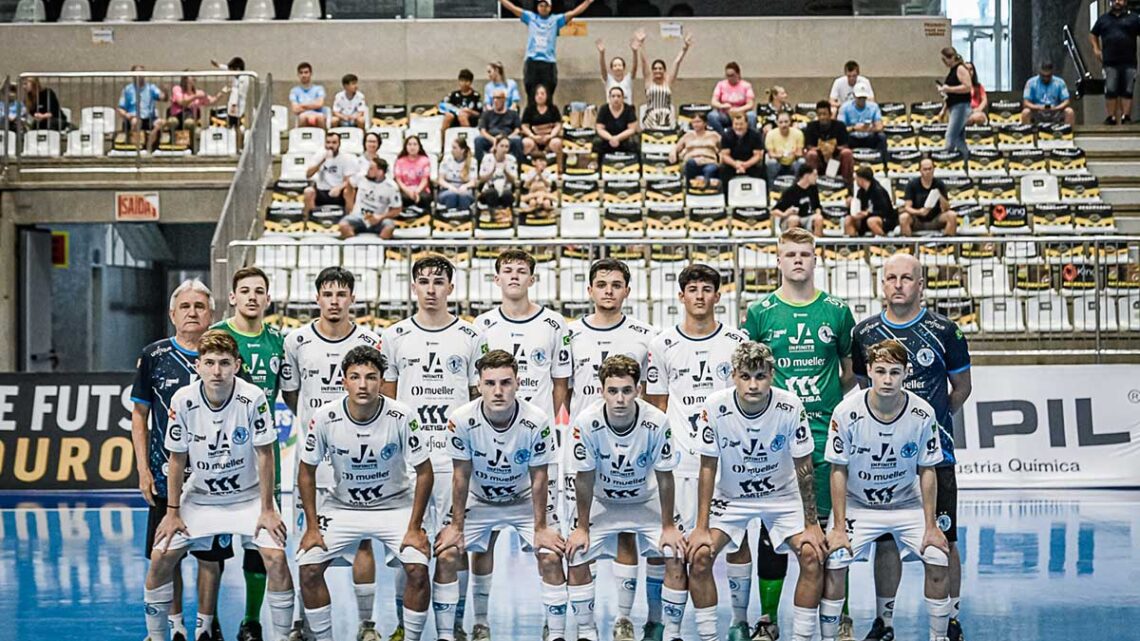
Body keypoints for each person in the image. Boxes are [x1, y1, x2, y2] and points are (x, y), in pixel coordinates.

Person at [741, 228, 857, 641]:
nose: (797, 261)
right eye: (789, 254)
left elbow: (848, 373)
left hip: (824, 437)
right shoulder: (760, 312)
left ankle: (839, 616)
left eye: (804, 254)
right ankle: (768, 620)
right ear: (777, 260)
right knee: (773, 535)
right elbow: (748, 372)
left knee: (828, 530)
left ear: (815, 259)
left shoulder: (838, 312)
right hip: (774, 442)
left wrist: (823, 406)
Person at [142, 330, 294, 641]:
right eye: (209, 363)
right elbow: (176, 459)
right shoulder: (182, 399)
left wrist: (267, 509)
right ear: (198, 366)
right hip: (200, 499)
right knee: (160, 559)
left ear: (236, 365)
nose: (216, 371)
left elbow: (265, 454)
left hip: (249, 498)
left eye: (224, 363)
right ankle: (157, 636)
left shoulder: (253, 397)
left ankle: (280, 635)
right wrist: (172, 512)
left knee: (276, 558)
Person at [851, 253, 973, 641]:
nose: (898, 284)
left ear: (921, 285)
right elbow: (861, 389)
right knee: (886, 542)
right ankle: (884, 622)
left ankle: (950, 619)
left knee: (944, 539)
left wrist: (928, 427)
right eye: (891, 278)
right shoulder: (865, 333)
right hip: (881, 461)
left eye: (907, 278)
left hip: (936, 459)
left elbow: (962, 388)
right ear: (881, 284)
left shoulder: (945, 330)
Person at [379, 255, 488, 641]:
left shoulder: (471, 337)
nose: (430, 289)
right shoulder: (394, 336)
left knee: (453, 549)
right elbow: (387, 404)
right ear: (413, 287)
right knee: (404, 549)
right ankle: (400, 625)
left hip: (455, 461)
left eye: (438, 282)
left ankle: (452, 626)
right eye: (423, 281)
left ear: (451, 288)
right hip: (411, 464)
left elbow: (481, 401)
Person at [687, 342, 825, 641]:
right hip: (732, 499)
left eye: (760, 376)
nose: (753, 384)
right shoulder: (715, 406)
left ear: (772, 375)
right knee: (699, 556)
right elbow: (707, 467)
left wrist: (812, 524)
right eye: (746, 376)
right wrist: (700, 527)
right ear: (733, 375)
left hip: (782, 498)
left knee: (813, 554)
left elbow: (804, 466)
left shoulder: (790, 405)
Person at [298, 346, 435, 641]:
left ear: (383, 381)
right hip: (343, 507)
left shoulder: (401, 415)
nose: (363, 385)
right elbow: (306, 471)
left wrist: (414, 527)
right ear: (343, 381)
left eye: (371, 377)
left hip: (394, 506)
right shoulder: (325, 417)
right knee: (308, 569)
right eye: (355, 377)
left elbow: (425, 472)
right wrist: (311, 528)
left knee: (418, 568)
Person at [470, 250, 573, 640]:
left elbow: (560, 383)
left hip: (536, 450)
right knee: (483, 541)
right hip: (489, 445)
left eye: (522, 271)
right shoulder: (482, 325)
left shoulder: (552, 323)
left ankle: (556, 625)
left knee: (548, 537)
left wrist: (538, 426)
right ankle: (480, 622)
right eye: (507, 271)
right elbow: (474, 384)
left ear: (533, 279)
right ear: (496, 279)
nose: (514, 276)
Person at [644, 264, 749, 641]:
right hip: (679, 465)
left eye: (708, 289)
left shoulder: (737, 342)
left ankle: (739, 622)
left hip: (728, 465)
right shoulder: (662, 344)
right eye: (693, 289)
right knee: (675, 550)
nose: (700, 296)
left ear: (718, 297)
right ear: (681, 296)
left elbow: (747, 400)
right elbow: (654, 409)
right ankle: (670, 630)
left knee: (736, 542)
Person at [820, 339, 951, 641]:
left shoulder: (922, 413)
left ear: (906, 372)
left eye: (895, 372)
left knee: (938, 556)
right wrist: (838, 527)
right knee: (836, 559)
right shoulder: (846, 411)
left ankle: (939, 637)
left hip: (906, 505)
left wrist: (931, 526)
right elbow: (837, 470)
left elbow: (927, 470)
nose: (888, 379)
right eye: (880, 371)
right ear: (868, 371)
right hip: (859, 505)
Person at [431, 350, 565, 641]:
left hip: (524, 500)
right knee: (447, 555)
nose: (498, 391)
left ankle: (554, 633)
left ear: (518, 383)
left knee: (552, 556)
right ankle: (456, 630)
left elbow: (540, 476)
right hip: (479, 500)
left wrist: (541, 528)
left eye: (506, 382)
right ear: (478, 385)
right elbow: (460, 474)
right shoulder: (462, 419)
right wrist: (456, 526)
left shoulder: (537, 420)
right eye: (490, 383)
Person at [279, 267, 383, 641]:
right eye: (328, 294)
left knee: (364, 540)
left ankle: (367, 624)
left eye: (342, 294)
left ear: (352, 299)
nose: (334, 301)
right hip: (314, 461)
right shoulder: (297, 340)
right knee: (306, 539)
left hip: (361, 458)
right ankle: (301, 622)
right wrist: (317, 426)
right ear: (317, 298)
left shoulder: (372, 339)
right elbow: (292, 395)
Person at [131, 280, 230, 641]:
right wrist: (143, 470)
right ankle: (174, 627)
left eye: (200, 306)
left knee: (210, 556)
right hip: (164, 475)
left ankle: (205, 627)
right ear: (173, 313)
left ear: (212, 314)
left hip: (215, 479)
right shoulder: (153, 356)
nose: (192, 312)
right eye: (185, 306)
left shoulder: (225, 354)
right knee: (167, 555)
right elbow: (139, 416)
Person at [565, 259, 658, 641]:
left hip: (630, 446)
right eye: (601, 284)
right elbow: (562, 390)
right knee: (579, 531)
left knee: (626, 532)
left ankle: (623, 618)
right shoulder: (570, 335)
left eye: (616, 284)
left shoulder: (645, 335)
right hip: (584, 448)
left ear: (627, 291)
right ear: (589, 290)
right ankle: (580, 625)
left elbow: (650, 394)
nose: (608, 290)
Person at [565, 355, 687, 641]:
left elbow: (665, 476)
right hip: (602, 502)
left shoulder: (657, 421)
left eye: (627, 390)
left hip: (646, 501)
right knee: (576, 554)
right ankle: (586, 632)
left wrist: (669, 526)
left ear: (639, 390)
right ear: (601, 391)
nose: (620, 399)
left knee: (674, 552)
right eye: (613, 391)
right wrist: (581, 527)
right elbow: (583, 478)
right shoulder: (586, 422)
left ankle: (672, 633)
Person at [210, 267, 287, 641]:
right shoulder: (219, 337)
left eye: (259, 291)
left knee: (261, 542)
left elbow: (290, 394)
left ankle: (251, 621)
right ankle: (208, 620)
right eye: (245, 290)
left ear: (268, 299)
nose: (253, 297)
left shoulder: (277, 339)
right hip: (222, 453)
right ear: (233, 298)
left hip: (264, 452)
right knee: (214, 545)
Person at [497, 0, 597, 104]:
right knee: (531, 94)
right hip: (532, 62)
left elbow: (574, 13)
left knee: (548, 95)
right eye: (541, 5)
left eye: (546, 6)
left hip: (548, 63)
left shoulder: (556, 20)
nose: (543, 8)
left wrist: (587, 2)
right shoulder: (530, 17)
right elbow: (512, 8)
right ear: (537, 6)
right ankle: (531, 118)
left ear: (550, 7)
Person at [1091, 0, 1140, 125]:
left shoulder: (1134, 19)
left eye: (1121, 0)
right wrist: (1096, 49)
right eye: (1115, 0)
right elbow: (1093, 34)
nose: (1117, 2)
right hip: (1109, 61)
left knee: (1127, 89)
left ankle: (1126, 117)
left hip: (1129, 61)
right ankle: (1111, 117)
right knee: (1111, 89)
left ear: (1125, 2)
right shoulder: (1103, 19)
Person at [637, 30, 692, 130]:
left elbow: (677, 62)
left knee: (670, 119)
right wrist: (641, 44)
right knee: (654, 117)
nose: (658, 71)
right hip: (651, 116)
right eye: (655, 69)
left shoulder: (668, 82)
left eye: (660, 68)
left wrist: (685, 49)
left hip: (667, 115)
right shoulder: (649, 82)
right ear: (652, 71)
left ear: (664, 71)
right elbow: (644, 62)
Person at [338, 156, 401, 239]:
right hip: (359, 216)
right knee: (343, 225)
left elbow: (397, 210)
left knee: (389, 227)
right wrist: (350, 204)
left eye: (371, 168)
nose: (368, 170)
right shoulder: (361, 177)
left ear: (380, 172)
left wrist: (381, 217)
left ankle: (380, 250)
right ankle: (354, 248)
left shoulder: (391, 187)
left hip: (378, 218)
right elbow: (350, 184)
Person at [302, 132, 357, 219]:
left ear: (339, 144)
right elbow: (308, 175)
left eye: (334, 143)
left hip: (339, 192)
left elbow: (349, 180)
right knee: (308, 191)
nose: (331, 145)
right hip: (322, 191)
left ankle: (350, 219)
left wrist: (338, 188)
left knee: (349, 190)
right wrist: (322, 160)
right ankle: (311, 220)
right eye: (328, 142)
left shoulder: (346, 158)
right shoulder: (319, 155)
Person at [900, 157, 957, 236]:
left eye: (930, 169)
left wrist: (939, 195)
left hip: (935, 218)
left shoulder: (939, 183)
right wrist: (919, 212)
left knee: (952, 215)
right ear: (920, 170)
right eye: (925, 169)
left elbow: (947, 208)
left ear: (933, 169)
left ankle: (947, 246)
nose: (928, 172)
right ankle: (908, 247)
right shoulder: (912, 184)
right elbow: (907, 207)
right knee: (904, 217)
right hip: (917, 219)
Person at [804, 100, 854, 186]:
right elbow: (809, 146)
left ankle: (847, 187)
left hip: (836, 159)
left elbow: (845, 145)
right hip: (819, 160)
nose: (822, 117)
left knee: (847, 153)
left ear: (830, 114)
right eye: (820, 114)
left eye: (824, 114)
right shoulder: (811, 126)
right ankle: (811, 187)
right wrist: (823, 149)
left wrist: (832, 149)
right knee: (811, 154)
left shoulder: (840, 126)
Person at [117, 65, 166, 152]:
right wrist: (127, 115)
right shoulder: (127, 90)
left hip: (149, 118)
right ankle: (138, 149)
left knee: (161, 122)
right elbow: (120, 108)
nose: (140, 75)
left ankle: (148, 146)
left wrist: (165, 91)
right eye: (137, 73)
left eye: (142, 73)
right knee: (136, 122)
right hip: (133, 117)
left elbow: (163, 97)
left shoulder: (151, 88)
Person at [939, 47, 973, 161]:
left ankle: (946, 161)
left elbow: (968, 87)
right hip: (954, 107)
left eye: (944, 60)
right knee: (959, 139)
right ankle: (965, 162)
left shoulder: (960, 69)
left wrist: (949, 89)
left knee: (950, 136)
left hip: (961, 107)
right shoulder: (953, 70)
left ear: (951, 58)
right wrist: (944, 109)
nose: (944, 63)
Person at [167, 75, 218, 152]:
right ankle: (173, 144)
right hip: (177, 115)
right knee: (172, 121)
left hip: (189, 117)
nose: (194, 78)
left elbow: (211, 101)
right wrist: (195, 97)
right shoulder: (177, 89)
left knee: (189, 123)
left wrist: (221, 93)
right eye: (192, 76)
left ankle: (191, 147)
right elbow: (181, 102)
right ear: (185, 79)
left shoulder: (198, 92)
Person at [671, 111, 721, 189]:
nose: (695, 124)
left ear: (705, 123)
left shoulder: (714, 135)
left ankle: (704, 186)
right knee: (690, 163)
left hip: (709, 162)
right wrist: (673, 154)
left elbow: (723, 149)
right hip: (692, 163)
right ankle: (690, 188)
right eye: (693, 122)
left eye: (698, 122)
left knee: (709, 170)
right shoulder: (688, 135)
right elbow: (676, 149)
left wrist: (720, 161)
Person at [770, 163, 822, 234]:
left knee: (818, 219)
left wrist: (818, 213)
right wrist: (785, 214)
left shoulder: (813, 189)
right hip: (792, 218)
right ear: (807, 175)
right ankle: (793, 243)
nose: (817, 177)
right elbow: (773, 211)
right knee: (794, 219)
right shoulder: (791, 191)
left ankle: (817, 244)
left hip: (808, 217)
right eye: (815, 175)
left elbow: (817, 206)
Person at [1019, 61, 1076, 126]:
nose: (1045, 78)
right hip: (1038, 112)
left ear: (1052, 73)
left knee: (1069, 112)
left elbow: (1066, 101)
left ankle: (1068, 134)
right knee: (1025, 112)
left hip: (1055, 111)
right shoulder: (1031, 82)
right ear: (1039, 72)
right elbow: (1026, 103)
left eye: (1048, 76)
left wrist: (1056, 108)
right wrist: (1039, 107)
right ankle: (1027, 134)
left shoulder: (1060, 82)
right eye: (1043, 76)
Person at [475, 90, 524, 164]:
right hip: (491, 139)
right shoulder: (486, 114)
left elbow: (517, 130)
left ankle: (518, 169)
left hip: (508, 138)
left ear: (504, 99)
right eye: (493, 98)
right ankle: (480, 168)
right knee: (478, 140)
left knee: (517, 141)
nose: (495, 101)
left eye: (498, 98)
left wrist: (505, 139)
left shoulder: (513, 114)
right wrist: (494, 140)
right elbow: (482, 130)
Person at [845, 165, 896, 237]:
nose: (855, 181)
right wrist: (851, 206)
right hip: (865, 219)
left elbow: (885, 211)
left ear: (861, 179)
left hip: (884, 219)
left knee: (871, 221)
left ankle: (882, 244)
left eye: (856, 179)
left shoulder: (878, 191)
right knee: (848, 219)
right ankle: (853, 246)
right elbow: (859, 209)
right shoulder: (861, 192)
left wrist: (867, 213)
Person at [708, 61, 757, 134]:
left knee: (752, 116)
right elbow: (714, 101)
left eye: (732, 75)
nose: (730, 78)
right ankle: (723, 136)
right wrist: (722, 106)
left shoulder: (746, 85)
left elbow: (750, 104)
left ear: (738, 74)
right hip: (725, 114)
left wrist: (738, 110)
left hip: (741, 114)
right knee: (712, 116)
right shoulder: (721, 84)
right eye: (728, 75)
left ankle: (749, 137)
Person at [594, 86, 640, 161]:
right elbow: (599, 128)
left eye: (619, 96)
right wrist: (611, 138)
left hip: (624, 138)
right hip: (607, 138)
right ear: (609, 98)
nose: (616, 99)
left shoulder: (629, 109)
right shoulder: (604, 109)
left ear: (622, 98)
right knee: (596, 142)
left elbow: (632, 129)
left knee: (635, 142)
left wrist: (617, 138)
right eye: (613, 96)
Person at [718, 112, 765, 185]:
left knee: (761, 169)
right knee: (723, 170)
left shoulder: (755, 135)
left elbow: (757, 155)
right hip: (732, 164)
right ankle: (726, 195)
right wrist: (736, 164)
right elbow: (725, 155)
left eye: (741, 124)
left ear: (747, 124)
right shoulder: (726, 135)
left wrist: (745, 165)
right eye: (736, 124)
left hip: (750, 163)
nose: (738, 127)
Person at [838, 87, 886, 158]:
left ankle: (884, 163)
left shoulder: (874, 107)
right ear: (854, 96)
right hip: (852, 137)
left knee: (882, 137)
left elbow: (879, 127)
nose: (862, 100)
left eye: (863, 98)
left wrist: (868, 129)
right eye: (859, 98)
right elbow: (840, 129)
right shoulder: (845, 107)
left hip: (869, 136)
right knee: (840, 138)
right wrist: (854, 128)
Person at [521, 84, 564, 160]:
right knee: (526, 143)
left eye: (542, 94)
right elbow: (524, 126)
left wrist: (550, 136)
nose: (539, 96)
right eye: (537, 94)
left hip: (549, 139)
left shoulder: (553, 109)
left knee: (557, 143)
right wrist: (533, 136)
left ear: (547, 95)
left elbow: (558, 125)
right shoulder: (529, 109)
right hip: (534, 138)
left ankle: (558, 167)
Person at [478, 136, 520, 212]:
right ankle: (492, 215)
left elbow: (514, 180)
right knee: (492, 193)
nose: (504, 149)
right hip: (489, 190)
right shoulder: (487, 158)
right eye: (501, 146)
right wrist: (492, 171)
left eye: (506, 147)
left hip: (505, 190)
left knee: (507, 195)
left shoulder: (511, 159)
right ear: (496, 146)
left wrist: (505, 171)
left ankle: (505, 216)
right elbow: (481, 179)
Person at [596, 33, 641, 103]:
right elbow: (603, 69)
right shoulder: (608, 80)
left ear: (624, 68)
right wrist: (602, 54)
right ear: (611, 69)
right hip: (611, 112)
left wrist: (635, 52)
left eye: (620, 65)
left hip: (627, 112)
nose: (617, 68)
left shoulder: (628, 79)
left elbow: (634, 68)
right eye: (615, 66)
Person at [764, 112, 806, 185]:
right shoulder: (771, 134)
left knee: (801, 161)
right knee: (771, 162)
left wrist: (794, 153)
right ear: (777, 123)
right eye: (781, 122)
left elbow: (800, 153)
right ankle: (771, 188)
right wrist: (778, 155)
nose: (784, 125)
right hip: (778, 162)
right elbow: (770, 154)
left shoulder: (798, 133)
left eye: (786, 122)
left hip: (793, 162)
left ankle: (798, 186)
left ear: (790, 122)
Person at [437, 138, 479, 210]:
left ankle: (464, 217)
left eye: (455, 148)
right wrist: (450, 187)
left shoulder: (472, 161)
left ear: (462, 150)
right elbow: (440, 180)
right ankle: (450, 216)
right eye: (452, 147)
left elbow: (473, 182)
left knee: (463, 195)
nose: (452, 150)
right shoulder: (446, 159)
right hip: (447, 189)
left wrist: (465, 186)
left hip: (465, 190)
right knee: (451, 195)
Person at [394, 135, 433, 208]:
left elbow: (425, 180)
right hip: (405, 190)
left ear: (419, 146)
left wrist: (416, 192)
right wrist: (408, 191)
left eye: (415, 144)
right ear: (406, 146)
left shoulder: (425, 160)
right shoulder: (400, 161)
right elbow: (398, 180)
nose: (412, 147)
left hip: (421, 190)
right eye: (409, 144)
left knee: (424, 198)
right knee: (401, 198)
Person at [211, 56, 249, 129]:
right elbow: (227, 68)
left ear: (237, 69)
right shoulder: (238, 75)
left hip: (237, 105)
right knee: (235, 126)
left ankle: (238, 140)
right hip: (235, 104)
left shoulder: (242, 78)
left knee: (235, 126)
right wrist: (218, 65)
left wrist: (234, 105)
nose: (231, 72)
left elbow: (238, 93)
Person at [289, 62, 326, 128]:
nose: (303, 75)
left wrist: (302, 105)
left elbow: (320, 104)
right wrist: (313, 105)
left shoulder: (319, 89)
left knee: (321, 118)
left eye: (306, 72)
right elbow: (295, 109)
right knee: (302, 117)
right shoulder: (294, 91)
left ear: (311, 73)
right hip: (302, 116)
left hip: (317, 114)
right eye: (301, 73)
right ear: (298, 75)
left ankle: (323, 137)